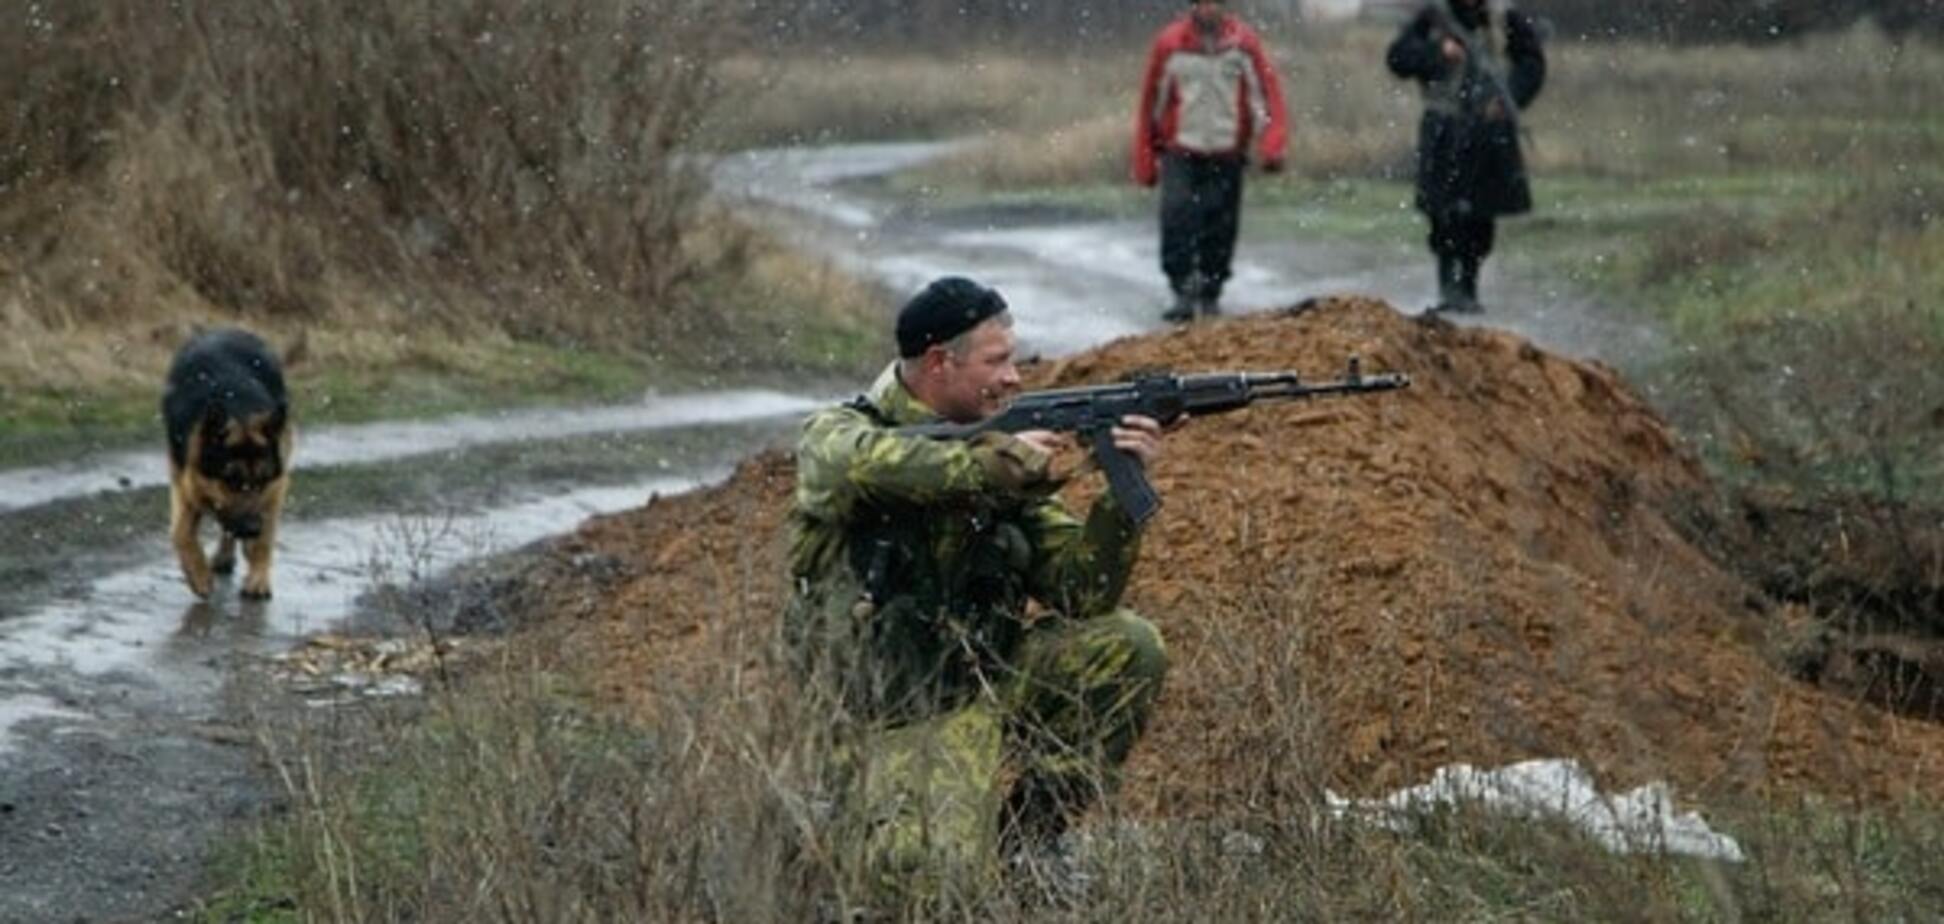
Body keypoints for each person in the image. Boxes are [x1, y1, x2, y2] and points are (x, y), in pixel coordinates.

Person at [783, 276, 1170, 907]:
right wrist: (997, 466)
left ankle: (1028, 843)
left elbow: (1082, 592)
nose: (1015, 378)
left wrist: (1119, 500)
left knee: (1128, 646)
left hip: (984, 684)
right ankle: (842, 824)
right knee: (928, 884)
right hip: (891, 719)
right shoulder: (841, 434)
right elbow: (857, 465)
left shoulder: (997, 449)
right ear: (940, 361)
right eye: (998, 361)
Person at [1133, 0, 1289, 323]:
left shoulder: (1244, 44)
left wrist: (1272, 145)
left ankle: (1211, 291)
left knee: (1220, 225)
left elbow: (1267, 97)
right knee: (1176, 218)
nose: (1209, 9)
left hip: (1227, 150)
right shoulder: (1170, 44)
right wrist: (1145, 159)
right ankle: (1182, 290)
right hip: (1180, 149)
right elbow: (1150, 104)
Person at [1387, 0, 1546, 314]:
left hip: (1489, 133)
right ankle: (1449, 287)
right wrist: (1437, 54)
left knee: (1481, 216)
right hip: (1444, 129)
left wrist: (1509, 98)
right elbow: (1398, 58)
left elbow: (1532, 64)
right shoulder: (1434, 17)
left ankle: (1468, 285)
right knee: (1442, 215)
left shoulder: (1504, 19)